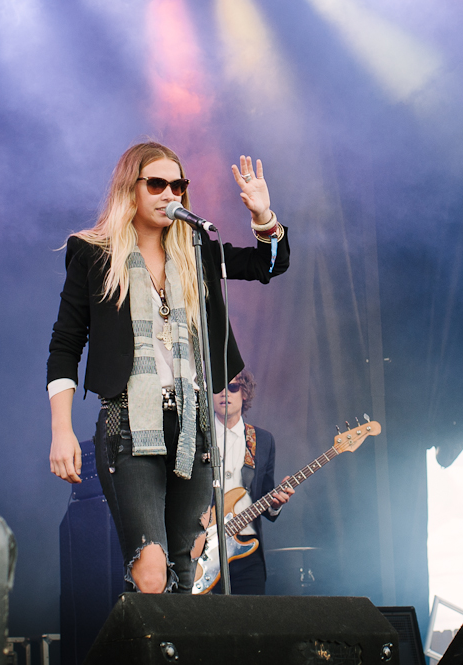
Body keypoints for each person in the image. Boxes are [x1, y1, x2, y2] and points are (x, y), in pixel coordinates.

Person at [47, 141, 290, 594]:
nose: (169, 194)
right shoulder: (93, 254)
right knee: (152, 572)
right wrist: (62, 430)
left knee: (190, 572)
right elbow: (64, 346)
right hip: (128, 427)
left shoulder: (197, 251)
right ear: (130, 189)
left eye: (178, 185)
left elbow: (269, 264)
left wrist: (263, 216)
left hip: (194, 430)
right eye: (156, 184)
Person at [205, 368, 293, 595]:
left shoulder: (262, 440)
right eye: (217, 388)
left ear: (244, 393)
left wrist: (276, 504)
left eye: (233, 387)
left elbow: (265, 493)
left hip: (248, 551)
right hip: (204, 549)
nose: (225, 393)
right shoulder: (197, 437)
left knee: (250, 623)